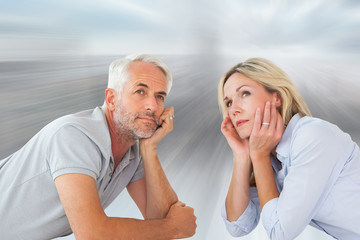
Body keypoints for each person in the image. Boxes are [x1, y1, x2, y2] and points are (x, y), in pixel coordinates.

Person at [0, 54, 197, 239]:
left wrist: (150, 149)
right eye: (140, 91)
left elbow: (162, 218)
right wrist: (172, 227)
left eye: (160, 97)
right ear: (111, 99)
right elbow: (92, 234)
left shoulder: (133, 153)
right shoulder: (74, 136)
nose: (152, 106)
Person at [218, 57, 360, 240]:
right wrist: (241, 155)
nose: (234, 109)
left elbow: (280, 233)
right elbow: (238, 226)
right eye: (228, 102)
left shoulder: (312, 136)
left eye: (244, 94)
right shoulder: (272, 158)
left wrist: (259, 156)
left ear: (276, 97)